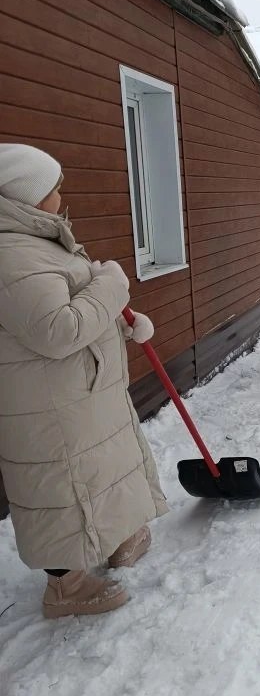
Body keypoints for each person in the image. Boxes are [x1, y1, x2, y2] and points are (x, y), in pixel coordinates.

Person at [0, 144, 168, 618]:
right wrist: (112, 286)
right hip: (47, 403)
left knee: (97, 472)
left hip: (77, 392)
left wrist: (123, 320)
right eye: (53, 186)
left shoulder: (36, 238)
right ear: (27, 197)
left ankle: (113, 537)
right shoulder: (9, 252)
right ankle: (65, 588)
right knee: (60, 487)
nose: (61, 192)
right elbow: (58, 330)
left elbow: (73, 305)